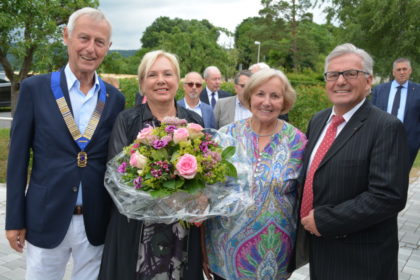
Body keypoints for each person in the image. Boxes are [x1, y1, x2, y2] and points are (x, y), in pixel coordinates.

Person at [5, 7, 125, 279]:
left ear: (108, 47)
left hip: (95, 221)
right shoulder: (35, 89)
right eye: (84, 38)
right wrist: (14, 219)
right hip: (45, 216)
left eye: (99, 42)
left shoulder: (114, 98)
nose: (90, 49)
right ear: (66, 37)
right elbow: (18, 159)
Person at [294, 43, 409, 280]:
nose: (341, 81)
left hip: (361, 259)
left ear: (368, 81)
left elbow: (387, 197)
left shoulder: (386, 127)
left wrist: (324, 220)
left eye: (350, 73)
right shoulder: (318, 120)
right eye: (333, 74)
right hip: (321, 249)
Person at [98, 50, 204, 280]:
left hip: (181, 229)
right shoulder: (127, 121)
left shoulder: (194, 122)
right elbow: (116, 177)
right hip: (135, 229)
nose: (161, 81)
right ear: (142, 84)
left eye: (168, 73)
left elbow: (205, 174)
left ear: (178, 80)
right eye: (152, 75)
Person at [205, 68, 307, 279]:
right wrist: (202, 249)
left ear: (284, 101)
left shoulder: (298, 142)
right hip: (224, 254)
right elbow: (207, 194)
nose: (267, 102)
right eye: (260, 94)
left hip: (273, 256)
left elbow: (303, 199)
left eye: (275, 96)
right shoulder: (226, 136)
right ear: (249, 96)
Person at [371, 58, 420, 169]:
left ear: (410, 71)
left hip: (408, 142)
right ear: (393, 72)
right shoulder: (379, 90)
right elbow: (371, 115)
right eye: (398, 69)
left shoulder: (418, 91)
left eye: (404, 69)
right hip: (381, 140)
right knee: (379, 172)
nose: (402, 72)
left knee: (402, 175)